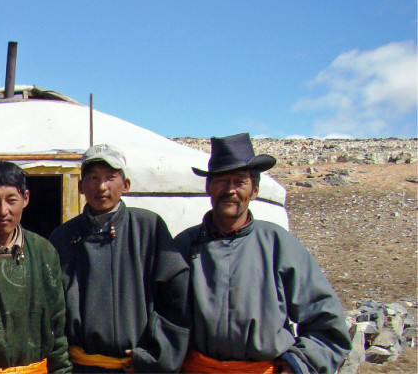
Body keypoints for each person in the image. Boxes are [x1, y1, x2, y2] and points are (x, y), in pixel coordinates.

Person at [176, 133, 350, 374]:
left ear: (255, 190)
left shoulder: (279, 244)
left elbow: (326, 321)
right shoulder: (183, 246)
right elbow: (158, 316)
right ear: (208, 187)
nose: (230, 190)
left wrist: (298, 364)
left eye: (240, 181)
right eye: (221, 181)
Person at [49, 144, 190, 373]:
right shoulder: (63, 237)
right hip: (80, 368)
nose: (101, 187)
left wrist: (155, 356)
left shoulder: (148, 228)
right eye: (93, 178)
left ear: (126, 185)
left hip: (136, 368)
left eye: (110, 177)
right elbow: (52, 309)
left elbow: (176, 298)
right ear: (80, 186)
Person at [0, 160, 71, 374]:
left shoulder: (43, 252)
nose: (3, 211)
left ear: (25, 198)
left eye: (12, 200)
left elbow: (57, 326)